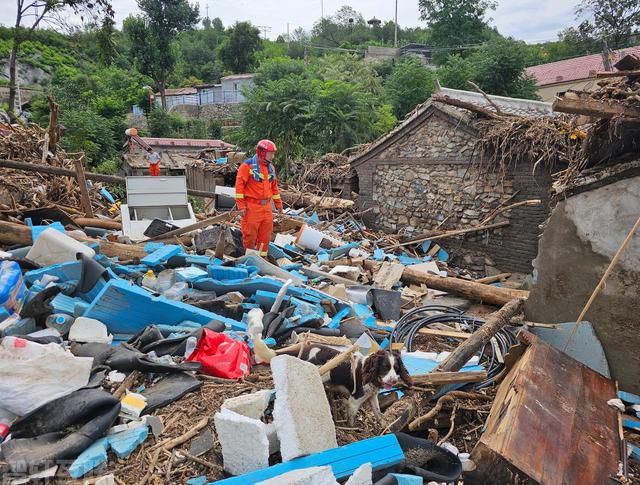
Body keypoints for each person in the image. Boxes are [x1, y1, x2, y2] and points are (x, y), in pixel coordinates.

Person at [235, 139, 283, 256]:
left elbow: (274, 188)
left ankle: (262, 260)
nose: (273, 156)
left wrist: (279, 205)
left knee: (265, 236)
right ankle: (249, 260)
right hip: (251, 208)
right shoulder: (247, 166)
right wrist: (241, 207)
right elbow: (239, 189)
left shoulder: (270, 168)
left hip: (266, 208)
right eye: (271, 153)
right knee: (249, 236)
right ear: (262, 152)